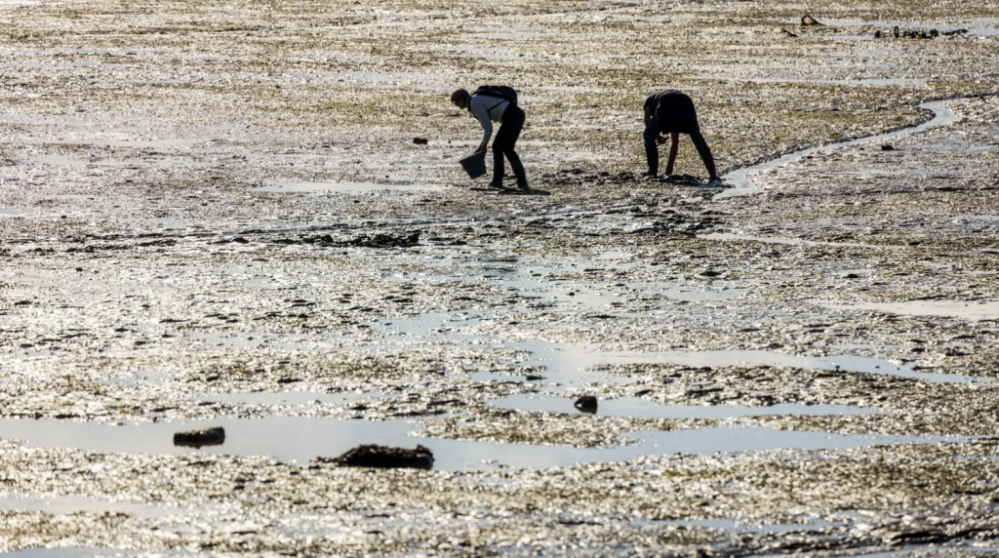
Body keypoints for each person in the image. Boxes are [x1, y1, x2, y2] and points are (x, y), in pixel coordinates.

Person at [451, 87, 528, 191]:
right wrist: (482, 145)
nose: (456, 104)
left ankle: (497, 181)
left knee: (497, 147)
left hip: (512, 116)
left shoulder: (475, 103)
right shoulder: (474, 104)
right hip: (516, 115)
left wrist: (483, 145)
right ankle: (521, 182)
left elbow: (488, 127)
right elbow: (486, 127)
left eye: (456, 101)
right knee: (507, 148)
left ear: (462, 99)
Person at [643, 90, 720, 184]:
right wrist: (669, 169)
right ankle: (713, 174)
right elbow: (675, 143)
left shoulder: (648, 102)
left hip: (666, 103)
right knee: (696, 137)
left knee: (647, 136)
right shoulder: (663, 97)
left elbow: (647, 121)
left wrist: (656, 136)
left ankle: (652, 172)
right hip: (686, 102)